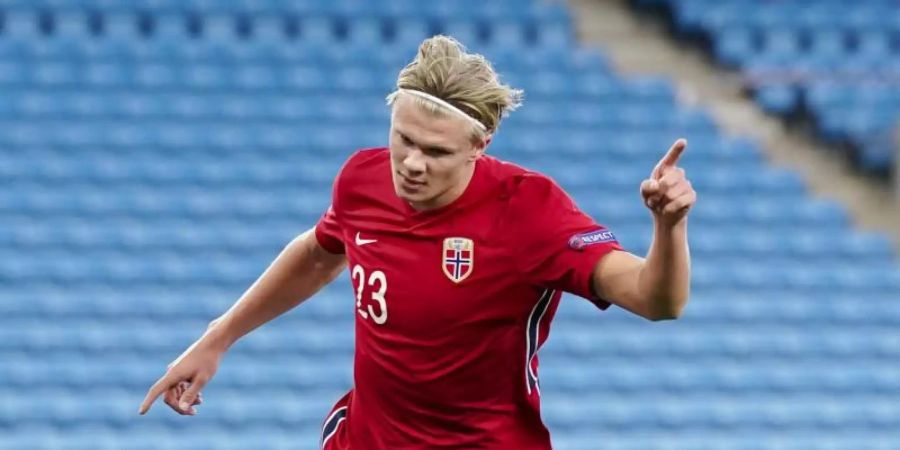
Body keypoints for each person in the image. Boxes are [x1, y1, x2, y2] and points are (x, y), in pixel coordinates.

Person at [138, 35, 696, 449]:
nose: (411, 163)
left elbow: (658, 301)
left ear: (481, 144)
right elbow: (317, 255)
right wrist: (220, 336)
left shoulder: (529, 211)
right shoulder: (362, 179)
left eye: (435, 152)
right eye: (403, 139)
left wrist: (668, 227)